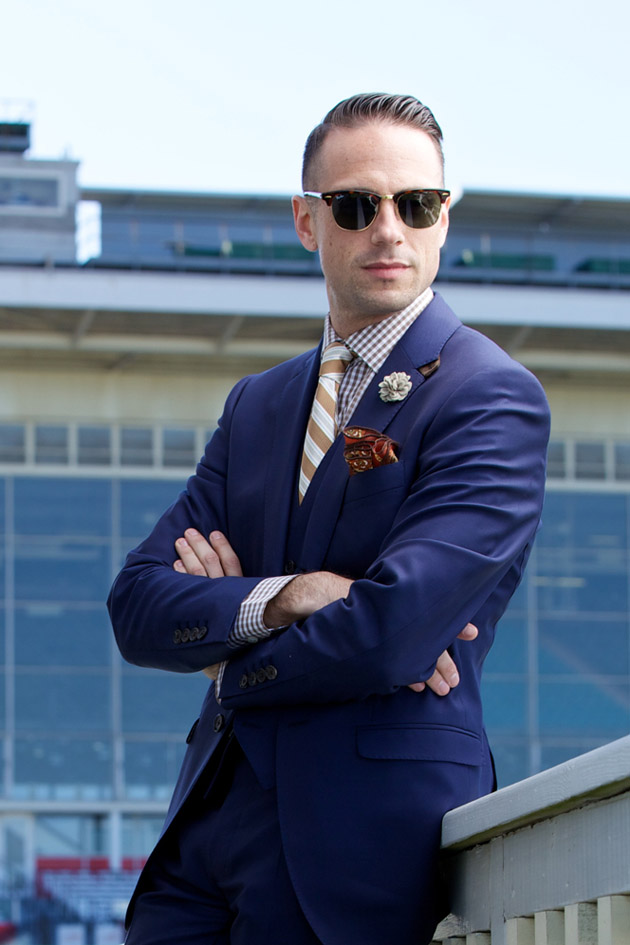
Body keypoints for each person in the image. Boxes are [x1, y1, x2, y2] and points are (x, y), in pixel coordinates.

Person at [108, 92, 550, 945]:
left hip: (354, 845)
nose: (389, 228)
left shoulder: (489, 395)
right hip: (205, 832)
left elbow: (389, 630)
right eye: (357, 205)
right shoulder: (260, 405)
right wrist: (284, 597)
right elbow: (138, 603)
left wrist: (227, 659)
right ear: (310, 223)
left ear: (444, 218)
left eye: (415, 204)